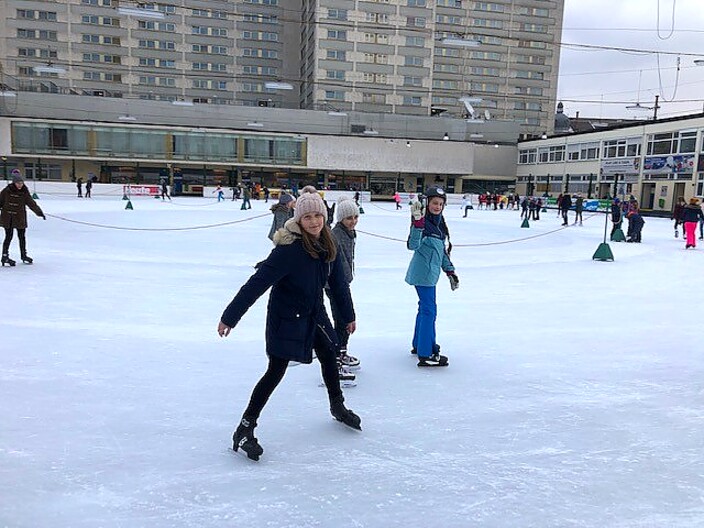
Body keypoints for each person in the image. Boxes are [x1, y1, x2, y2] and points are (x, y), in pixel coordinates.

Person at [218, 192, 361, 461]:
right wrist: (230, 317)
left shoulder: (329, 246)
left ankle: (337, 406)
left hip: (315, 314)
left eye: (318, 215)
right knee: (275, 371)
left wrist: (348, 315)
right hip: (285, 319)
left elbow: (339, 286)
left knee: (330, 353)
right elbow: (256, 284)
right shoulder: (288, 250)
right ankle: (245, 428)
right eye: (307, 216)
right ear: (299, 219)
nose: (314, 221)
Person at [405, 186, 458, 367]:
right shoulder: (422, 223)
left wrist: (450, 271)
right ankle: (426, 353)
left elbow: (442, 253)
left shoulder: (439, 224)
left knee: (424, 308)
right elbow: (413, 245)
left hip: (430, 274)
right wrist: (417, 224)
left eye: (441, 204)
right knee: (429, 310)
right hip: (423, 274)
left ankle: (419, 344)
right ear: (427, 203)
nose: (437, 206)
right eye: (434, 203)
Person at [326, 197, 361, 382]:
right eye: (349, 218)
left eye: (355, 217)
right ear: (340, 219)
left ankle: (341, 352)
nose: (353, 221)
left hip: (342, 281)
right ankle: (335, 360)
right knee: (342, 320)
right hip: (334, 284)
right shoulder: (336, 235)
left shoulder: (348, 233)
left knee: (344, 320)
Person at [1, 170, 45, 266]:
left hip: (19, 217)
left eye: (21, 183)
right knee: (8, 237)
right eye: (18, 183)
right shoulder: (7, 190)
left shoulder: (24, 191)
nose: (20, 185)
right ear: (14, 182)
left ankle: (24, 256)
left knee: (22, 237)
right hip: (8, 217)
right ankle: (4, 256)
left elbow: (31, 203)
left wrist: (39, 212)